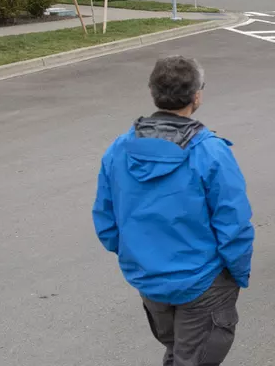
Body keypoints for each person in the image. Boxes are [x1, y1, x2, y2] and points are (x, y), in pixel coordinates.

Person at [93, 56, 255, 365]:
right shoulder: (210, 151)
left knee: (178, 352)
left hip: (149, 281)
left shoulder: (119, 149)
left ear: (153, 92)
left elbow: (106, 220)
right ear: (196, 96)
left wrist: (140, 257)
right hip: (202, 281)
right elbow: (233, 224)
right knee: (191, 357)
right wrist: (236, 275)